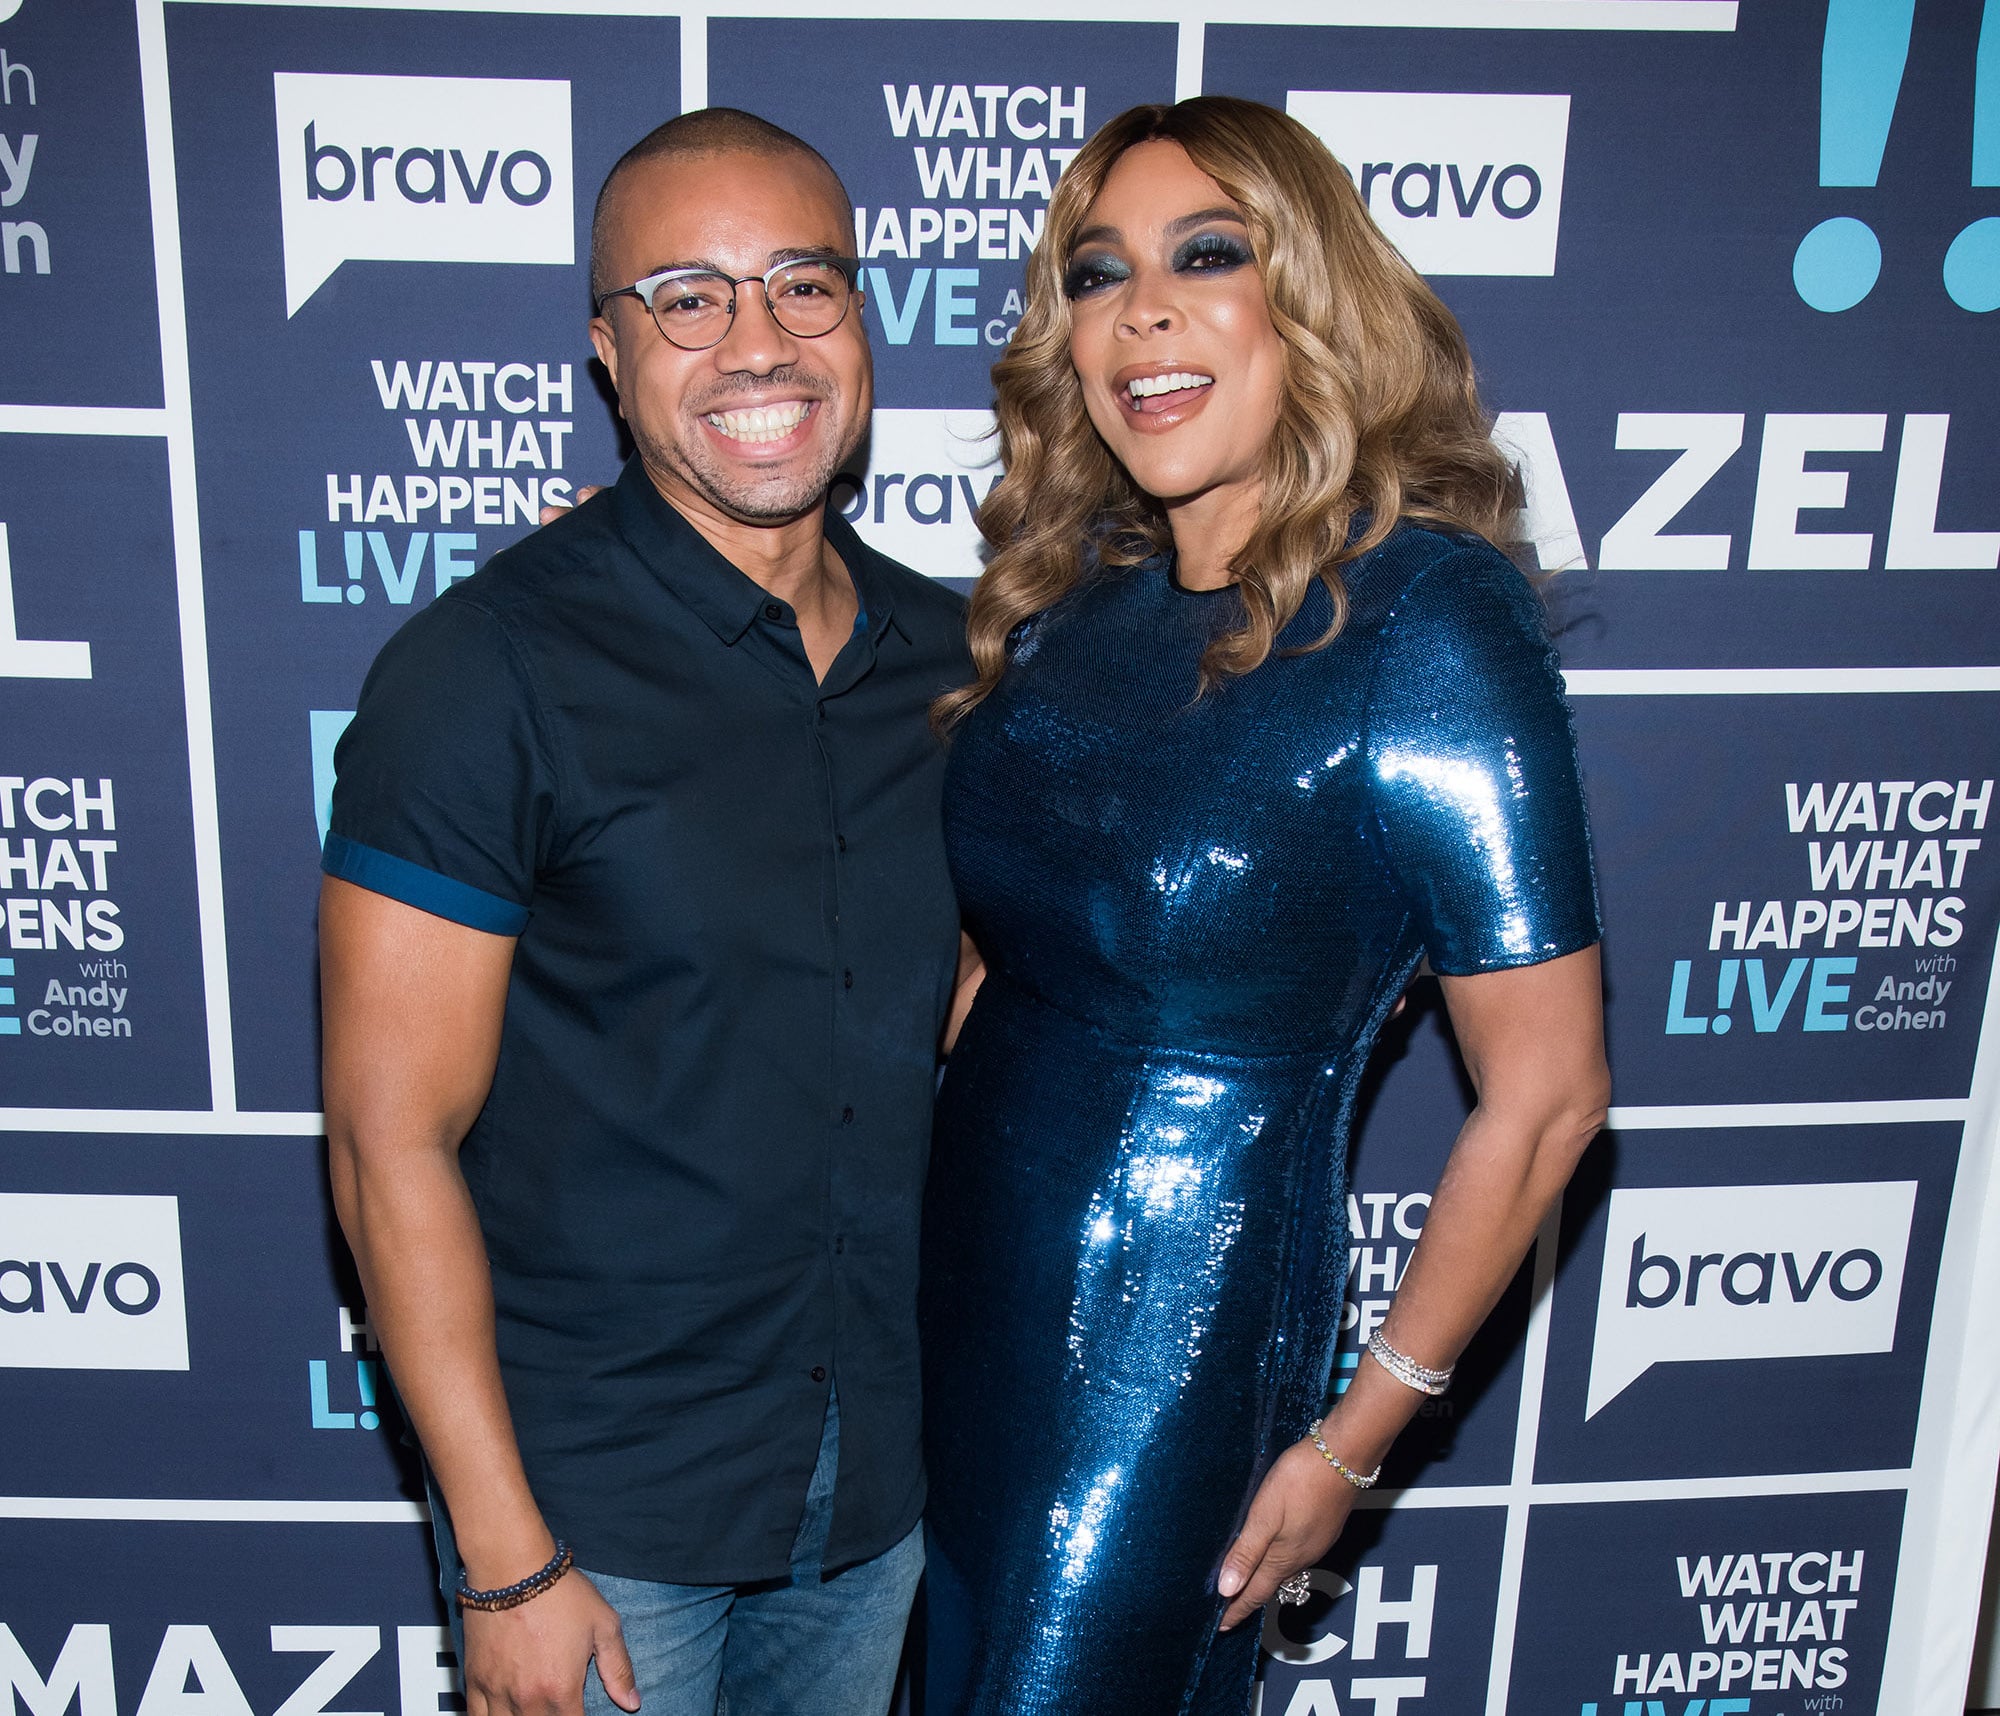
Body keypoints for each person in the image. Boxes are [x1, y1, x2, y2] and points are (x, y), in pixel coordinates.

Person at [918, 95, 1609, 1714]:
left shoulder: (1427, 622)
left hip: (1175, 1352)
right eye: (1100, 275)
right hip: (958, 1294)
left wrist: (1359, 1438)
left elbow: (1552, 1094)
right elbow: (989, 962)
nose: (1142, 312)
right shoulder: (1073, 602)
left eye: (1207, 257)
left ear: (1308, 298)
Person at [319, 109, 972, 1716]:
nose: (757, 341)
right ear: (609, 357)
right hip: (596, 1523)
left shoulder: (954, 665)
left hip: (871, 1497)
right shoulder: (484, 672)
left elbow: (959, 1002)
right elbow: (389, 1142)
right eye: (688, 298)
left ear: (863, 318)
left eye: (803, 286)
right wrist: (504, 1557)